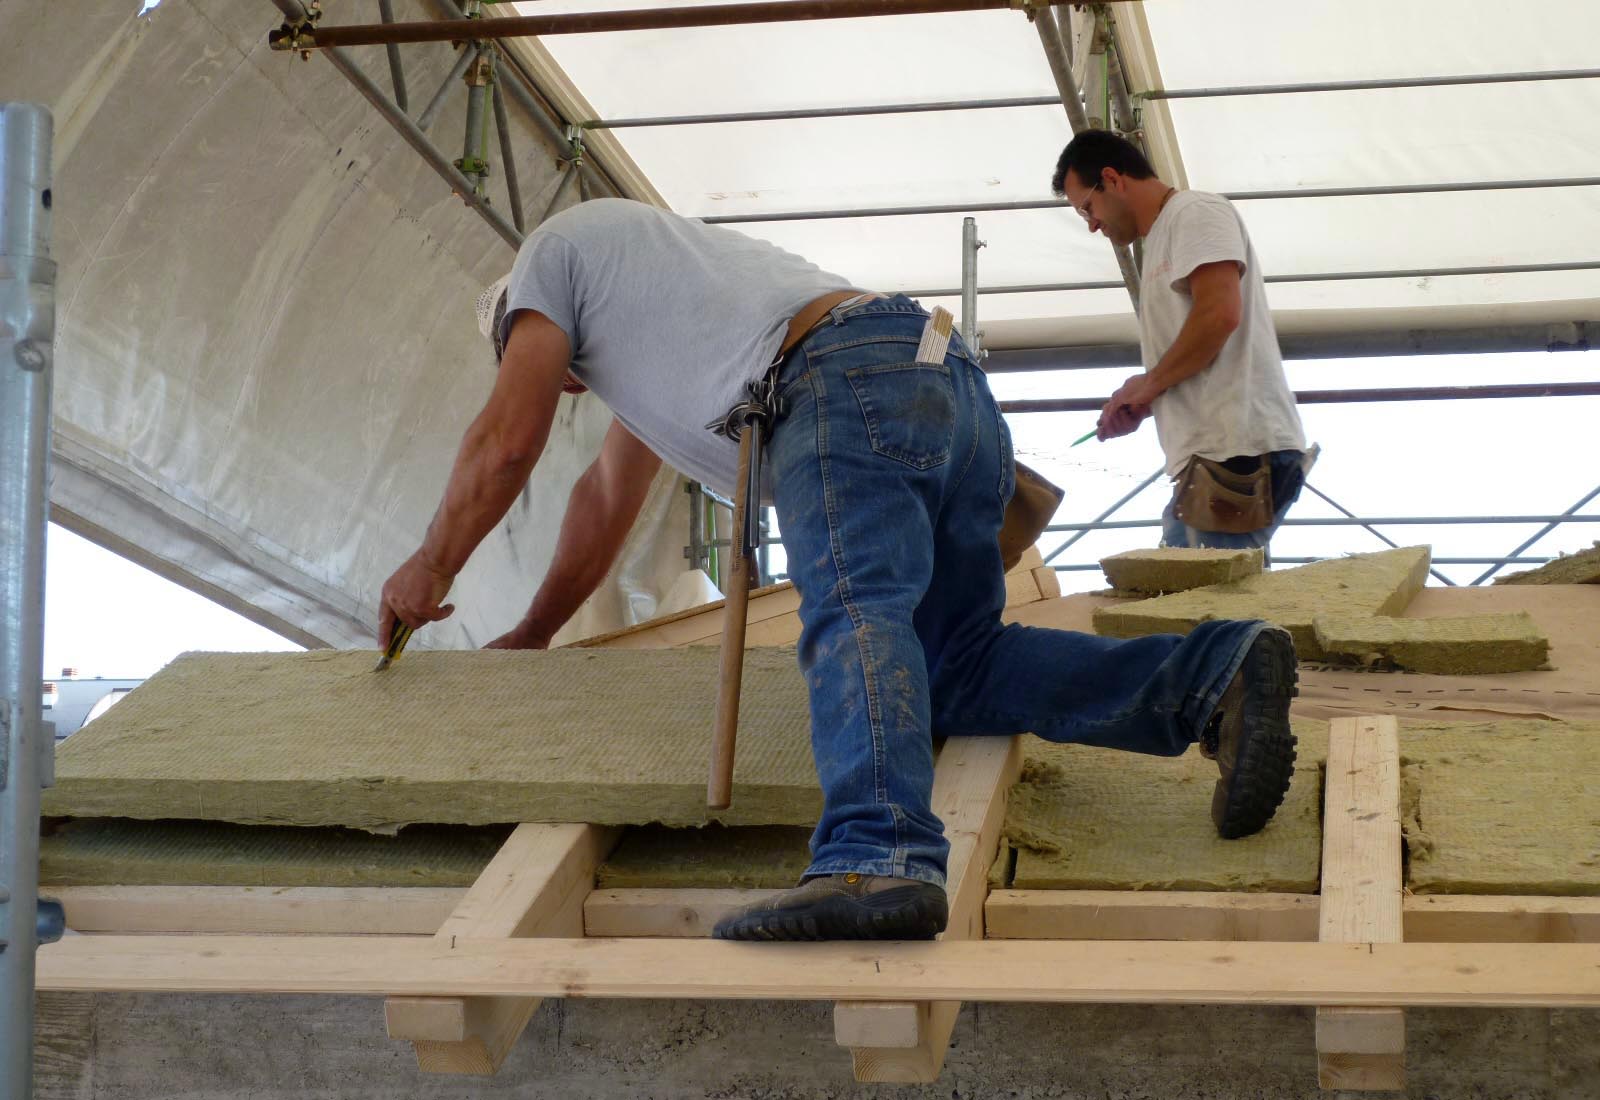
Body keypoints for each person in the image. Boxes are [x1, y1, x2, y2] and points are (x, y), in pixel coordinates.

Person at [377, 197, 1298, 943]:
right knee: (957, 665)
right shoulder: (664, 307)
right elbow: (603, 499)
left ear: (515, 322)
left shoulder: (551, 259)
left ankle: (878, 854)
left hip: (841, 377)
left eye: (535, 360)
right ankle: (1213, 678)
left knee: (856, 607)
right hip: (947, 384)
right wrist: (537, 630)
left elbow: (507, 443)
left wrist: (428, 565)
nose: (566, 384)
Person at [1052, 130, 1309, 556]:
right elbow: (1203, 341)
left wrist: (1151, 385)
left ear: (1113, 179)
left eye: (1087, 208)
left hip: (1236, 453)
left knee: (1193, 605)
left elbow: (1220, 314)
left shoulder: (1195, 211)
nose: (1093, 224)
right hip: (1222, 457)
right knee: (1205, 605)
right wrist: (1147, 394)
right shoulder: (1162, 240)